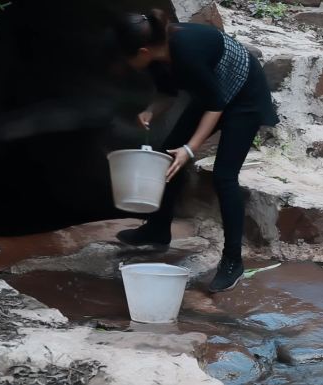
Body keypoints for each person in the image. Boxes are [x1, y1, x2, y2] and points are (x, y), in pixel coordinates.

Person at [111, 9, 279, 292]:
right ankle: (157, 228)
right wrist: (151, 110)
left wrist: (190, 148)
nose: (125, 64)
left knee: (224, 177)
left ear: (142, 50)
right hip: (215, 92)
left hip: (244, 95)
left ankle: (232, 261)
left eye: (126, 57)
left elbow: (217, 105)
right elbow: (168, 93)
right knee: (167, 153)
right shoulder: (157, 54)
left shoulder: (186, 52)